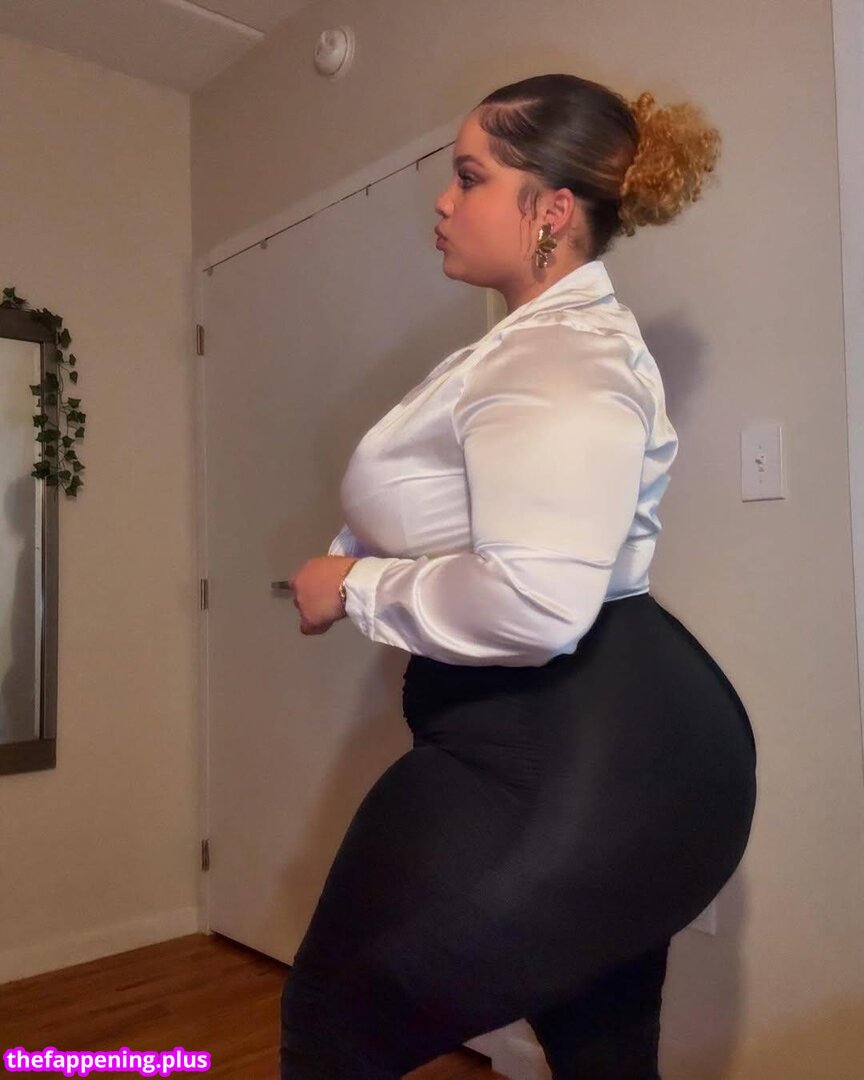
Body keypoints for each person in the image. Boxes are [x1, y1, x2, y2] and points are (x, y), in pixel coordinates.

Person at [281, 73, 757, 1080]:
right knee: (600, 1048)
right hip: (596, 739)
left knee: (332, 1025)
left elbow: (533, 603)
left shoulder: (561, 360)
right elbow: (445, 506)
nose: (442, 202)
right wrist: (356, 550)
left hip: (568, 746)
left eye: (469, 177)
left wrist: (350, 589)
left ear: (551, 210)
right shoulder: (525, 348)